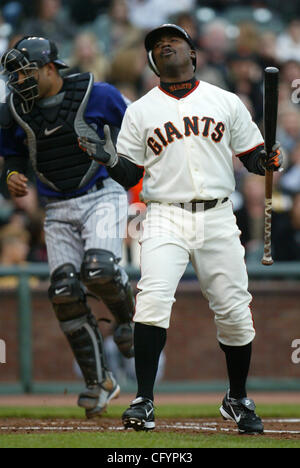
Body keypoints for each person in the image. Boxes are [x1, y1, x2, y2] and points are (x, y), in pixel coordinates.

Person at [78, 24, 283, 434]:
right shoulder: (139, 109)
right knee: (152, 301)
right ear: (152, 61)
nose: (163, 46)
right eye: (156, 45)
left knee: (235, 314)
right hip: (164, 214)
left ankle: (237, 397)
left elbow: (253, 157)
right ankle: (144, 399)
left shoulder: (224, 100)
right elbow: (130, 172)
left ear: (193, 53)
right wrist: (108, 160)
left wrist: (269, 159)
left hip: (218, 215)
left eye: (172, 41)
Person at [0, 36, 135, 418]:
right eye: (15, 74)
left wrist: (128, 168)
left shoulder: (99, 93)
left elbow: (135, 134)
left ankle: (127, 321)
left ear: (50, 68)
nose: (19, 81)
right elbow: (11, 155)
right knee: (62, 291)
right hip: (55, 206)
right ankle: (100, 382)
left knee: (100, 270)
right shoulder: (14, 108)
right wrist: (10, 175)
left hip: (101, 192)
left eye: (26, 72)